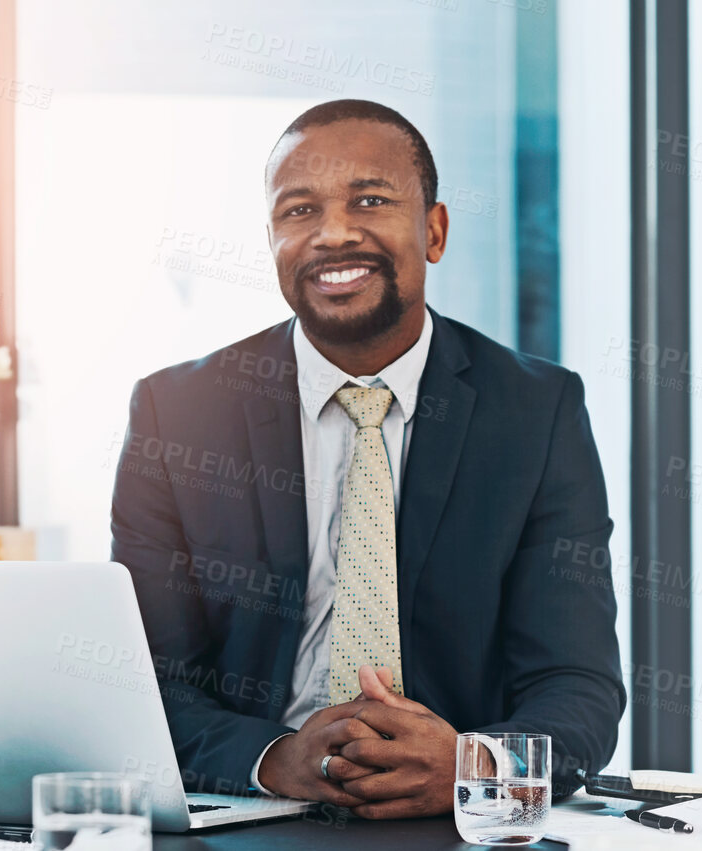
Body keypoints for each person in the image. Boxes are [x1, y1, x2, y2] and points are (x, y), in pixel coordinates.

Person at [110, 99, 624, 819]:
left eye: (371, 200)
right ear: (273, 241)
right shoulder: (179, 412)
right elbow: (143, 683)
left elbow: (578, 683)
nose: (334, 233)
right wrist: (272, 756)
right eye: (298, 212)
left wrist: (473, 764)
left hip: (460, 820)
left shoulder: (537, 411)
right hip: (252, 813)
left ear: (434, 230)